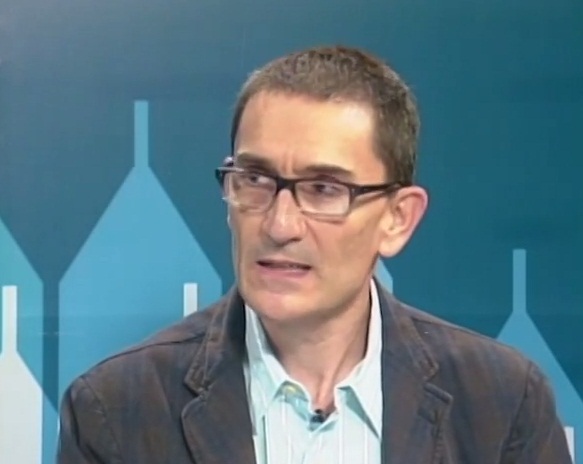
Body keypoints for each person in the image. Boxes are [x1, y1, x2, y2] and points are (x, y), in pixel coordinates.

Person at [57, 45, 573, 464]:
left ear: (397, 219)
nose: (279, 225)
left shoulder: (503, 402)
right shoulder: (116, 409)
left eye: (324, 189)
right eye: (255, 180)